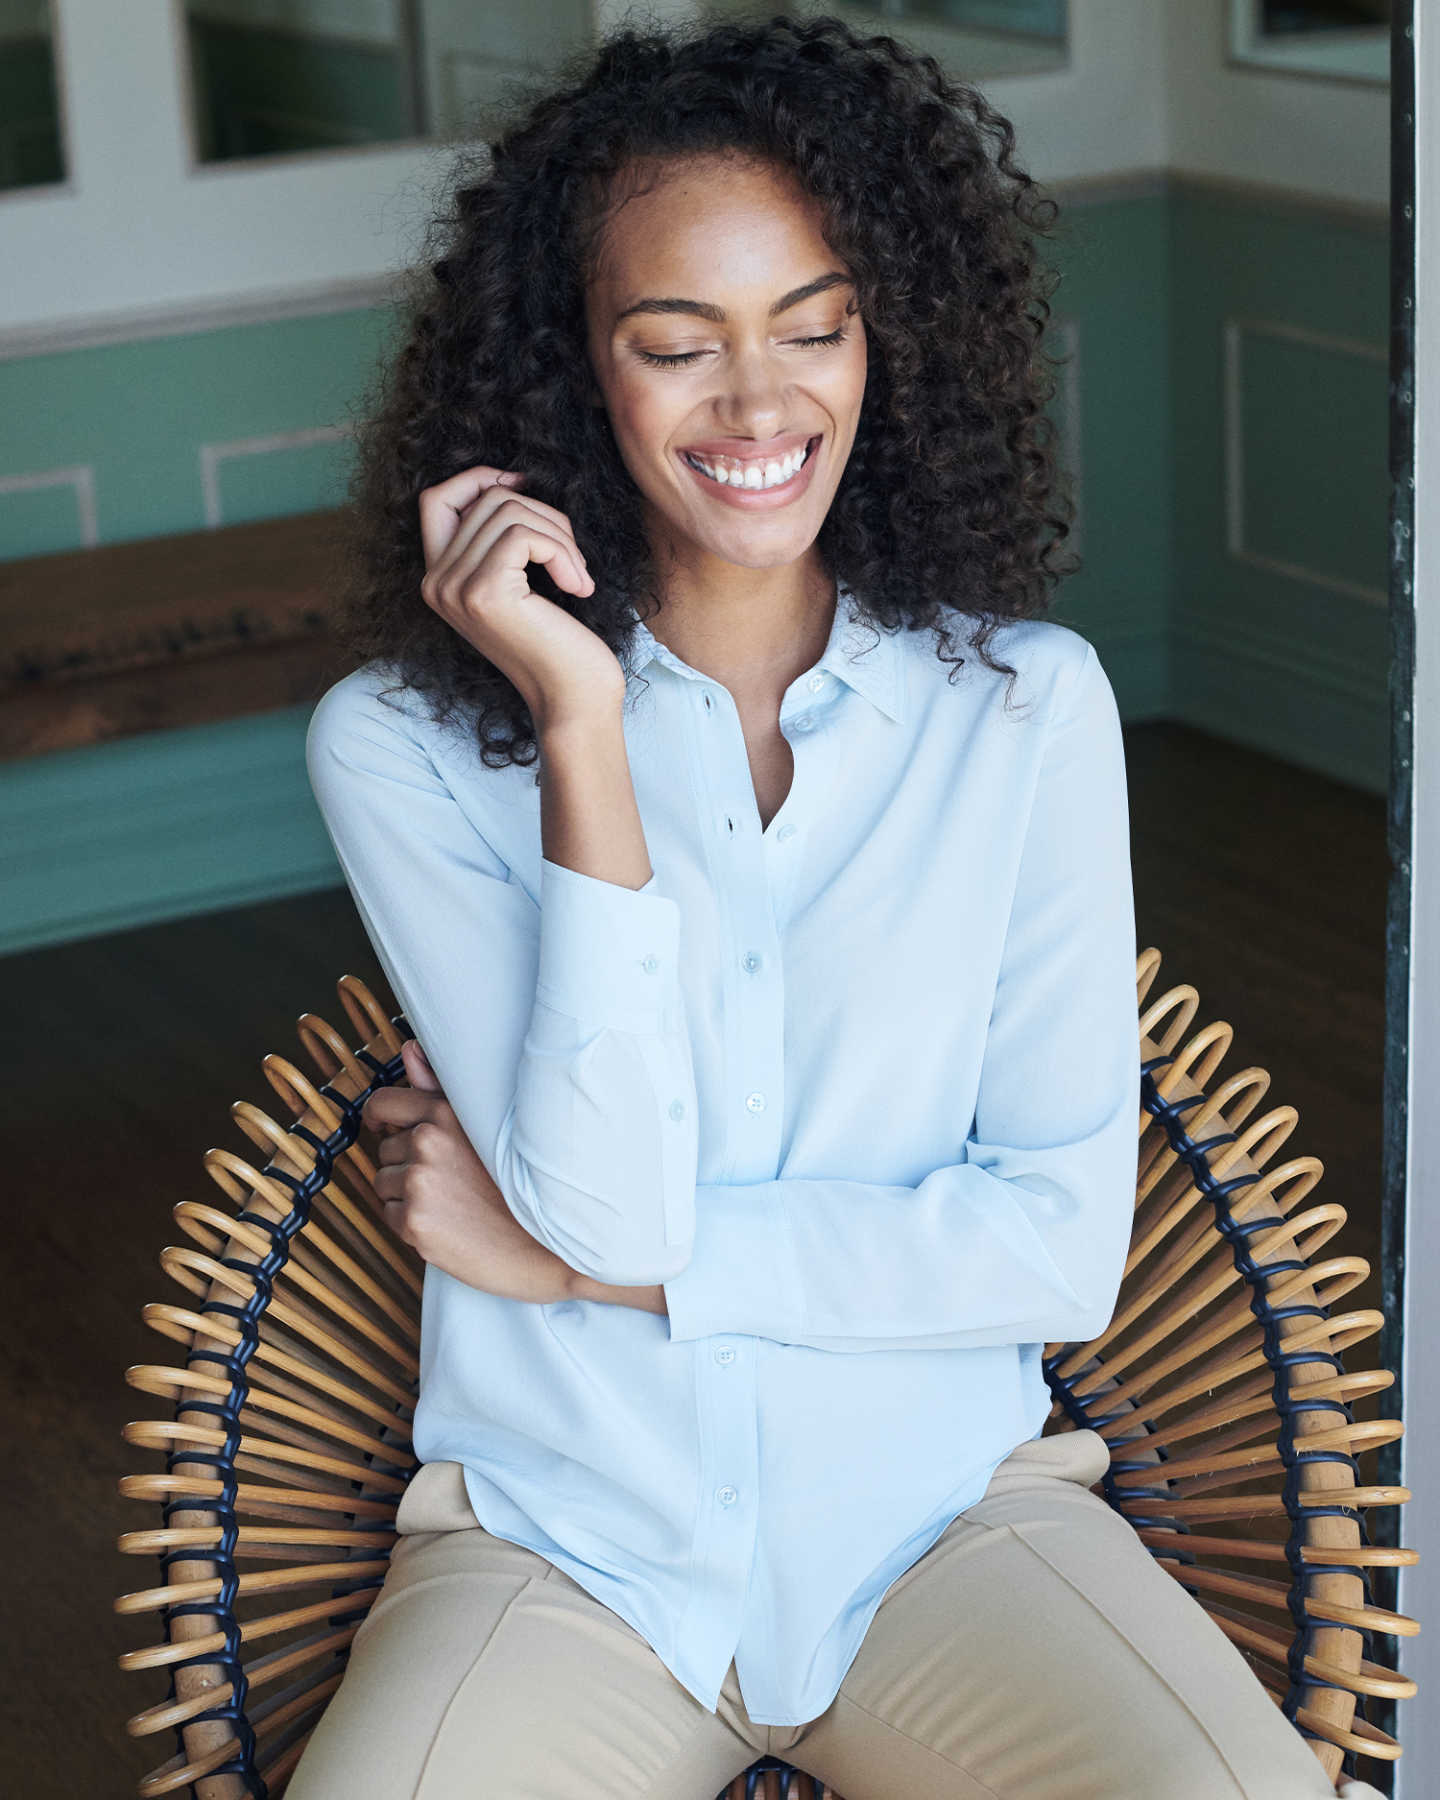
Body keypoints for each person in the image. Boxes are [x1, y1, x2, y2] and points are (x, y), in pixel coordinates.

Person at [290, 14, 1381, 1799]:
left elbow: (1052, 1249)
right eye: (676, 343)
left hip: (946, 1525)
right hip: (570, 1546)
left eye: (815, 324)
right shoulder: (407, 749)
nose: (762, 403)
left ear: (889, 335)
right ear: (570, 368)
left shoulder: (1027, 711)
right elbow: (614, 1185)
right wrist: (577, 722)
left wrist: (576, 1271)